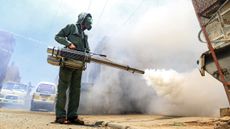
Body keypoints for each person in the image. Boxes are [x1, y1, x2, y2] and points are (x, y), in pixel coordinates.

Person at [54, 12, 92, 124]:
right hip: (67, 63)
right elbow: (57, 36)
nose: (86, 27)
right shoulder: (71, 27)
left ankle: (72, 116)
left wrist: (88, 53)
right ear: (82, 20)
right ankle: (60, 116)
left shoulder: (85, 36)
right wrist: (68, 43)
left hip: (78, 65)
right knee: (62, 89)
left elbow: (88, 49)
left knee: (76, 91)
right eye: (86, 24)